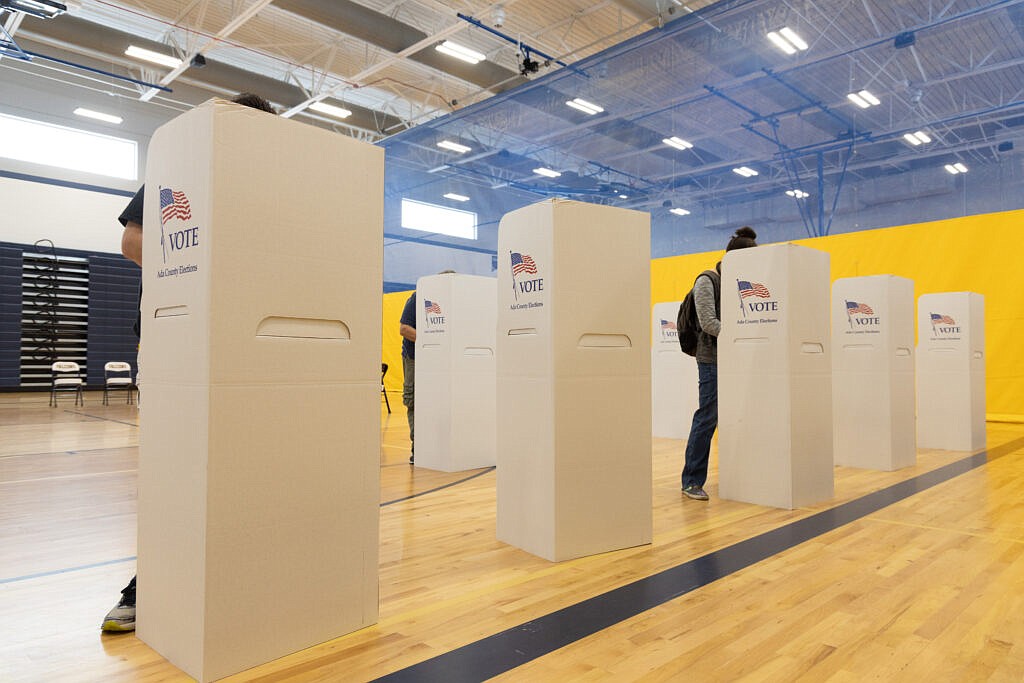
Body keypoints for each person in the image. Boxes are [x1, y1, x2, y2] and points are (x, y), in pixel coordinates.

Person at [102, 93, 276, 633]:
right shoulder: (179, 172)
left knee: (246, 470)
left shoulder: (267, 186)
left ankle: (238, 573)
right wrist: (200, 266)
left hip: (247, 340)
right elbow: (133, 239)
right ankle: (147, 584)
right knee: (175, 468)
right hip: (174, 340)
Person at [681, 226, 758, 501]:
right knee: (708, 417)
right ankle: (691, 480)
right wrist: (744, 336)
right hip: (712, 360)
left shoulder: (742, 283)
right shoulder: (708, 281)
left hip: (738, 359)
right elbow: (709, 323)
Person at [399, 291, 417, 463]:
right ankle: (417, 448)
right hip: (413, 358)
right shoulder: (417, 298)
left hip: (439, 359)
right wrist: (431, 340)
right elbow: (404, 329)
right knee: (413, 401)